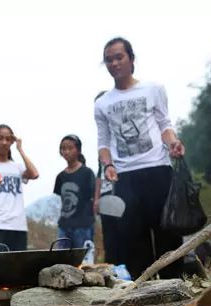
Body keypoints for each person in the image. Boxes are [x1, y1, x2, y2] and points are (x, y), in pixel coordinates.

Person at [94, 37, 186, 279]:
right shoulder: (103, 103)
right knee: (133, 238)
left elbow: (165, 125)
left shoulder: (153, 89)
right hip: (125, 176)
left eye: (119, 57)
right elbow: (103, 143)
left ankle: (174, 287)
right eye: (109, 60)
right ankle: (143, 290)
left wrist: (173, 143)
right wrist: (109, 165)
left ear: (131, 59)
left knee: (168, 233)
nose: (114, 63)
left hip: (158, 169)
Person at [0, 124, 39, 252]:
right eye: (0, 138)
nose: (4, 142)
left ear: (12, 141)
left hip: (18, 227)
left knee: (18, 269)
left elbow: (34, 174)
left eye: (8, 139)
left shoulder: (17, 167)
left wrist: (20, 149)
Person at [93, 90, 123, 265]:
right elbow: (99, 173)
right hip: (106, 195)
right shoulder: (102, 141)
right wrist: (96, 198)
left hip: (123, 190)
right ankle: (114, 269)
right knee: (110, 235)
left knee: (126, 231)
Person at [54, 134, 96, 249]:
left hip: (83, 225)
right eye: (63, 148)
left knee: (83, 261)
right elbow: (60, 199)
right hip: (64, 225)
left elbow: (93, 197)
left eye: (70, 148)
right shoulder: (60, 176)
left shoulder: (87, 173)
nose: (66, 151)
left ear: (78, 150)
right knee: (62, 262)